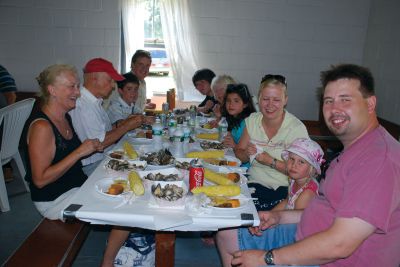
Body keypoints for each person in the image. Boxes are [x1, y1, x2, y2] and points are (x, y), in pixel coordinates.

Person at [218, 64, 400, 267]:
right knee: (227, 234)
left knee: (238, 245)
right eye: (329, 101)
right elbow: (329, 210)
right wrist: (278, 216)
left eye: (345, 100)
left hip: (330, 258)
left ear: (370, 104)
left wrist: (267, 258)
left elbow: (340, 245)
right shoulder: (354, 149)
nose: (334, 109)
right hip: (304, 233)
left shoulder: (377, 159)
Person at [24, 64, 103, 220]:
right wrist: (79, 152)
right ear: (52, 90)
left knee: (121, 189)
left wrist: (89, 147)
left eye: (78, 87)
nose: (78, 92)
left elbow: (64, 156)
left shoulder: (65, 117)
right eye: (71, 87)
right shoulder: (42, 127)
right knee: (117, 204)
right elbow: (40, 180)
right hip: (55, 201)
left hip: (76, 189)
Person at [234, 75, 308, 211]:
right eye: (266, 99)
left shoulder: (296, 128)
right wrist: (246, 154)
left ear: (285, 100)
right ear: (259, 99)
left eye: (276, 100)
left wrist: (270, 161)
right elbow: (239, 151)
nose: (270, 105)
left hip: (284, 190)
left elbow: (304, 173)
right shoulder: (252, 120)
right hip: (253, 185)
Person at [70, 58, 145, 176]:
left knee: (143, 161)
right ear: (94, 78)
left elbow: (104, 131)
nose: (113, 86)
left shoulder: (95, 102)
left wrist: (121, 124)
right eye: (110, 80)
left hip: (105, 157)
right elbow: (100, 143)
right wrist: (126, 126)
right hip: (93, 165)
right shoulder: (84, 105)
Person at [220, 83, 256, 168]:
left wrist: (234, 145)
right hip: (234, 159)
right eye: (228, 101)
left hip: (245, 168)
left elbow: (245, 154)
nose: (231, 104)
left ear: (245, 104)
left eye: (236, 101)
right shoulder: (234, 118)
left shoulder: (248, 122)